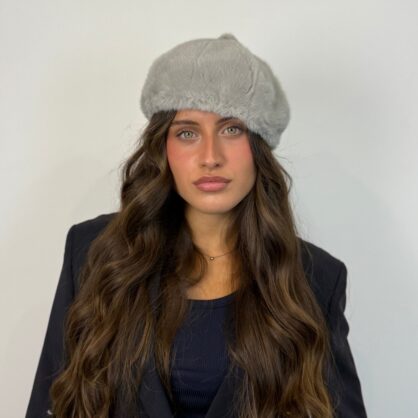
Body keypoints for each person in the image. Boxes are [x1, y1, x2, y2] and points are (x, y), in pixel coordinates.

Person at [25, 33, 367, 418]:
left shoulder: (315, 279)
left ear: (259, 146)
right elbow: (50, 404)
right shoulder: (96, 252)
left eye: (232, 129)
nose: (210, 157)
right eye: (187, 133)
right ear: (163, 147)